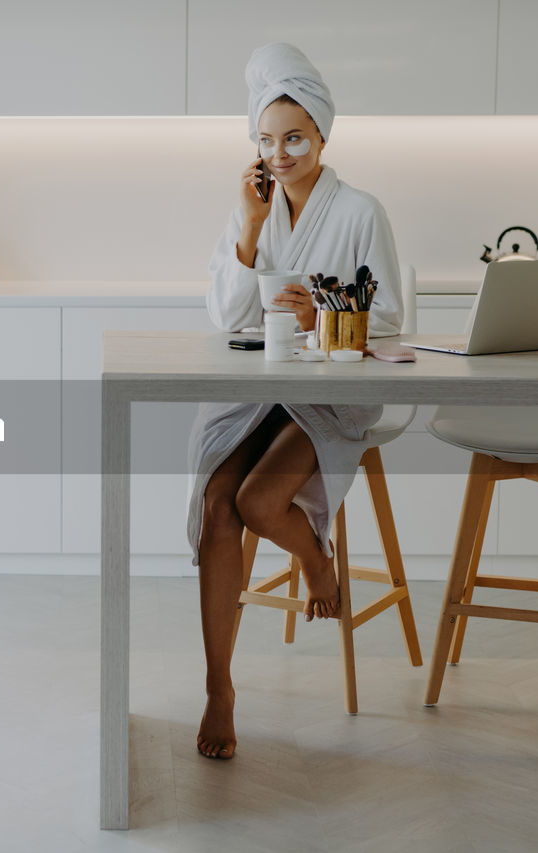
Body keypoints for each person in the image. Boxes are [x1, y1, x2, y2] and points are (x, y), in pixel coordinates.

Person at [185, 42, 403, 760]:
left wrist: (328, 313)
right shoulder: (253, 208)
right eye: (267, 141)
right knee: (220, 503)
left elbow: (394, 315)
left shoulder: (361, 211)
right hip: (257, 391)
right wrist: (247, 230)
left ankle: (315, 556)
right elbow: (225, 316)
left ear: (323, 134)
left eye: (295, 138)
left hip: (330, 395)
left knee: (257, 502)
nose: (280, 154)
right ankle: (220, 685)